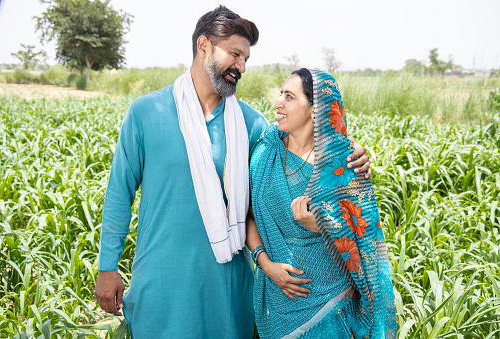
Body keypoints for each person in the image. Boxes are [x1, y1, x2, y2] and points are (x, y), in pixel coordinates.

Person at [94, 6, 371, 338]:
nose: (241, 66)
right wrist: (107, 267)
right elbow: (118, 194)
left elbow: (305, 141)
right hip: (161, 283)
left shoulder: (252, 125)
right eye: (235, 54)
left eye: (246, 59)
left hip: (228, 291)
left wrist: (348, 152)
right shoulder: (146, 113)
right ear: (204, 46)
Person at [247, 68, 397, 338]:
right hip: (279, 298)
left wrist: (322, 227)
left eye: (290, 97)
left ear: (315, 110)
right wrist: (267, 265)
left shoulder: (343, 164)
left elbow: (365, 238)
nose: (278, 103)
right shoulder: (264, 154)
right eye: (281, 94)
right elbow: (248, 215)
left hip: (331, 303)